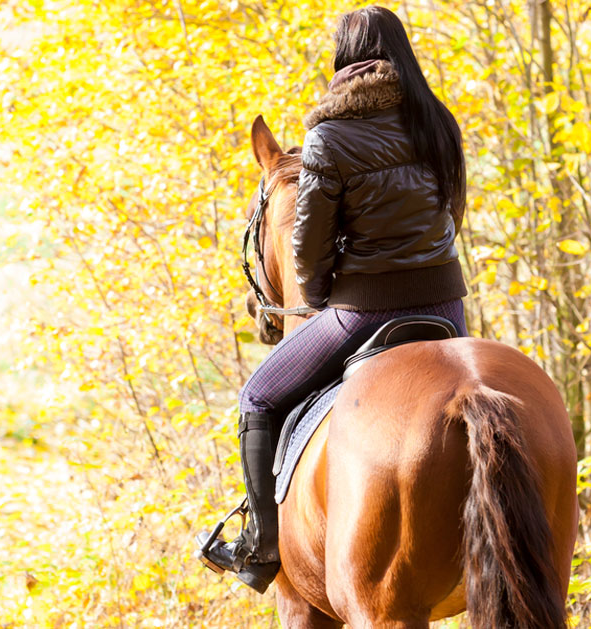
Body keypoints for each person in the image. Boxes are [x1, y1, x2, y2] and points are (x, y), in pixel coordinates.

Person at [194, 6, 470, 594]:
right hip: (447, 306)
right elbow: (455, 213)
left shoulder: (328, 137)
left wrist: (318, 299)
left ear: (344, 59)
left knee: (258, 396)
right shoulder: (438, 122)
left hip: (362, 309)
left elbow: (308, 250)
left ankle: (260, 547)